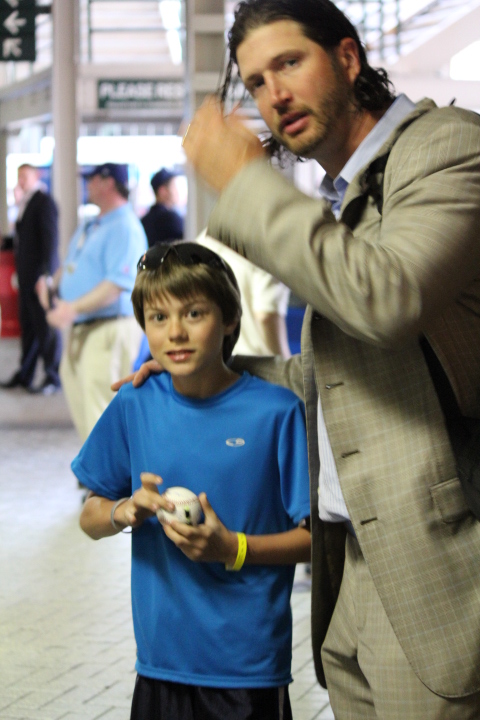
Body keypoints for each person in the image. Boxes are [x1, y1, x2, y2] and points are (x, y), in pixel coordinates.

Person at [175, 0, 480, 717]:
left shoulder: (448, 149)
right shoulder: (343, 197)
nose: (273, 95)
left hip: (438, 570)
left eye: (289, 63)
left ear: (347, 59)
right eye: (253, 83)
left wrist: (249, 185)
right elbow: (337, 380)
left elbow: (387, 299)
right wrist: (209, 372)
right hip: (352, 569)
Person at [75, 241, 311, 720]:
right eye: (158, 318)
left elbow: (316, 540)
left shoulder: (276, 412)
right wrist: (126, 511)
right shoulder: (135, 403)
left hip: (246, 666)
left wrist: (234, 549)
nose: (175, 332)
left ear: (227, 320)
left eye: (194, 313)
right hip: (161, 662)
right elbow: (90, 516)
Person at [45, 163, 147, 442]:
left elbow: (116, 285)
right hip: (83, 326)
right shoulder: (93, 224)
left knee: (101, 407)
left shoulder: (125, 227)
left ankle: (109, 483)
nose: (87, 186)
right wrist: (52, 286)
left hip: (109, 327)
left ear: (109, 183)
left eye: (92, 180)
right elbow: (71, 266)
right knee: (81, 400)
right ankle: (93, 475)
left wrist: (71, 308)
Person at [0, 164, 61, 394]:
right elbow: (24, 240)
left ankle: (52, 376)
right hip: (26, 278)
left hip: (38, 279)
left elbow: (50, 241)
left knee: (45, 328)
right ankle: (25, 374)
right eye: (19, 177)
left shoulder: (43, 202)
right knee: (29, 328)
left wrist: (46, 276)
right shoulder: (25, 203)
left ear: (36, 176)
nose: (21, 180)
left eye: (24, 176)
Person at [198, 230, 291, 357]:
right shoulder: (268, 244)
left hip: (217, 361)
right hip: (258, 364)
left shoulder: (204, 238)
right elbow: (266, 316)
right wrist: (286, 364)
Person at [141, 168, 184, 247]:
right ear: (162, 191)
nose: (177, 191)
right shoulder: (171, 219)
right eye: (174, 186)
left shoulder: (144, 220)